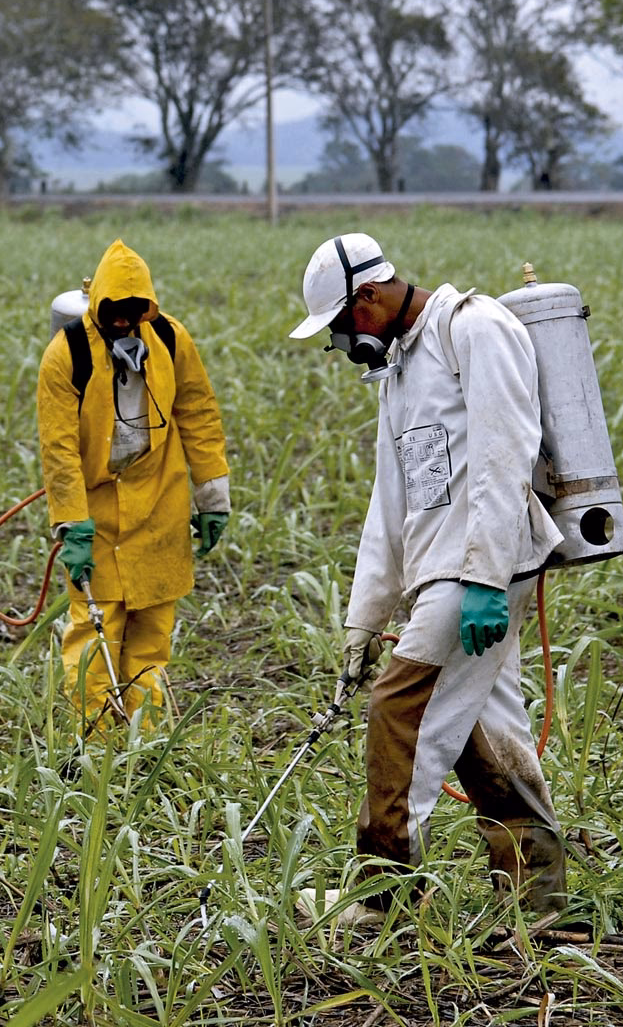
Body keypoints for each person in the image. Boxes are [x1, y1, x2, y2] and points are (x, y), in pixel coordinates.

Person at [287, 232, 567, 925]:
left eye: (343, 328)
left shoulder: (476, 328)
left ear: (370, 298)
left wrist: (483, 578)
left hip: (480, 572)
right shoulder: (399, 373)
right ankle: (541, 901)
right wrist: (363, 620)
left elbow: (506, 455)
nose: (345, 345)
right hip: (442, 574)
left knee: (399, 712)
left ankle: (380, 896)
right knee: (487, 734)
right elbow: (391, 507)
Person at [37, 239, 230, 729]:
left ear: (148, 307)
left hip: (160, 505)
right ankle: (99, 745)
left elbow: (198, 413)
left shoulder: (169, 339)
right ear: (96, 304)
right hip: (96, 515)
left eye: (133, 311)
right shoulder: (66, 356)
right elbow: (58, 449)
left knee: (151, 635)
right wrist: (71, 526)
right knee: (95, 633)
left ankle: (143, 743)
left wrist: (212, 496)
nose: (123, 321)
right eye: (113, 311)